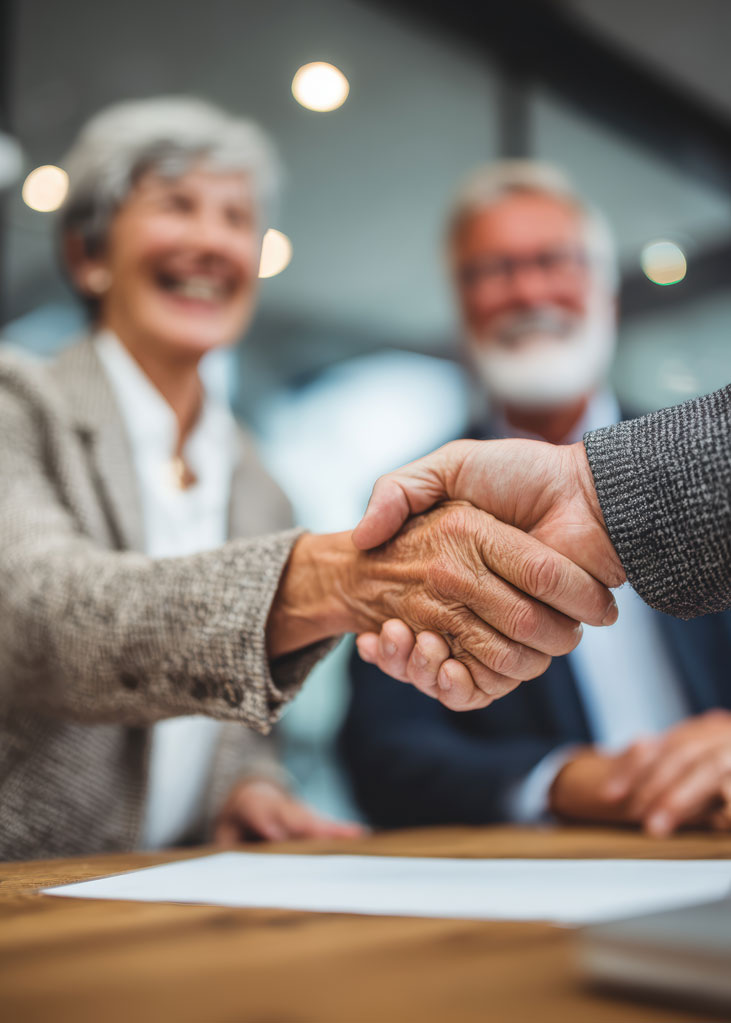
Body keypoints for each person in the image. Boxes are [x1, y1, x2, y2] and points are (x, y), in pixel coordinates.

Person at [0, 103, 615, 862]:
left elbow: (232, 725)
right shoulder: (18, 406)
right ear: (90, 254)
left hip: (175, 893)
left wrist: (247, 787)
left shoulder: (257, 480)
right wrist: (334, 580)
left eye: (236, 217)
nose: (212, 241)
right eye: (177, 205)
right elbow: (45, 620)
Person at [342, 162, 731, 837]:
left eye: (553, 260)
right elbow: (384, 752)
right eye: (493, 270)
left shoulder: (701, 461)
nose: (527, 290)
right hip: (549, 862)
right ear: (461, 308)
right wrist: (563, 779)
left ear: (607, 292)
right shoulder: (412, 499)